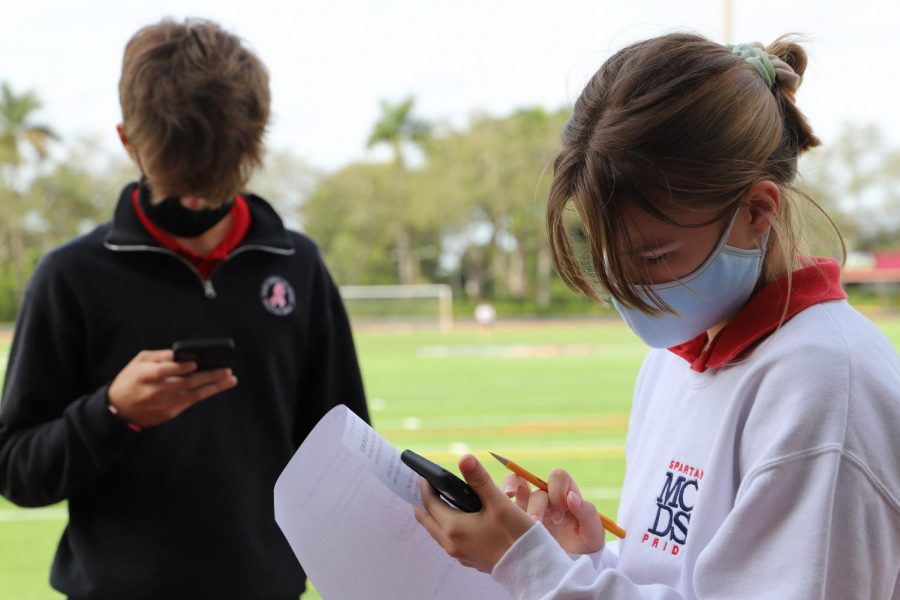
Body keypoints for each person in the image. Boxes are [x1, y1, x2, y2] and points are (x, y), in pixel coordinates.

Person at [413, 33, 900, 598]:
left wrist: (533, 570)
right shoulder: (675, 361)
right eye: (606, 259)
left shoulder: (821, 385)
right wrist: (585, 561)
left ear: (757, 212)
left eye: (652, 256)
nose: (629, 289)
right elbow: (678, 583)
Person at [0, 18, 368, 599]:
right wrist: (112, 413)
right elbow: (16, 470)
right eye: (180, 181)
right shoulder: (68, 278)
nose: (196, 199)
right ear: (128, 142)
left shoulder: (298, 267)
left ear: (254, 145)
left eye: (216, 181)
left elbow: (348, 455)